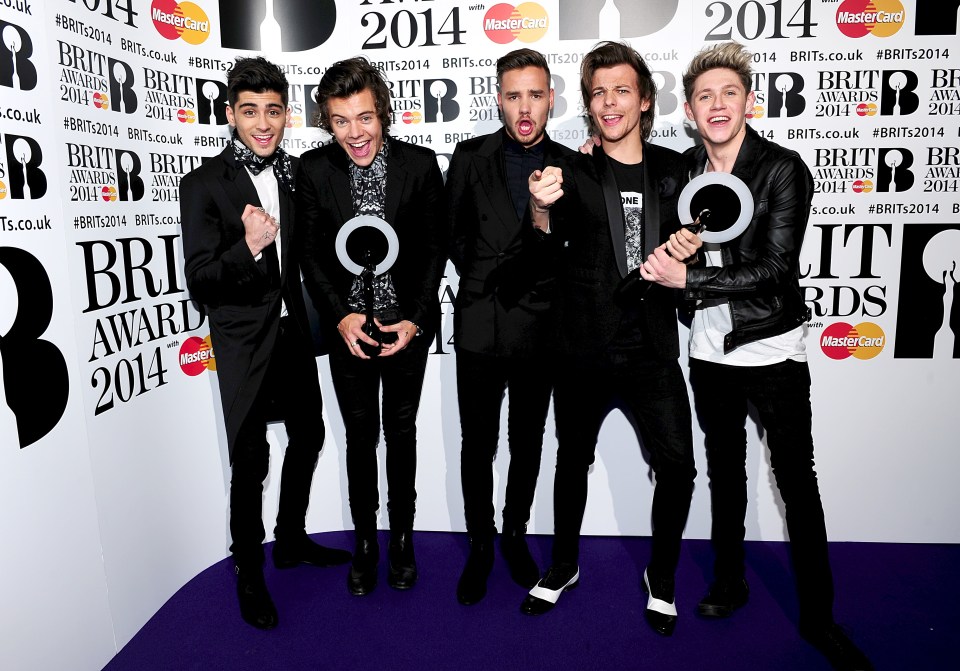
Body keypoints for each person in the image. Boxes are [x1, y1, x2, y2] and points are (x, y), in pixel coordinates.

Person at [640, 41, 873, 670]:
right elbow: (626, 174)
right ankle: (730, 580)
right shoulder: (684, 172)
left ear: (749, 102)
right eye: (705, 96)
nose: (717, 105)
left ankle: (821, 619)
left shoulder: (782, 169)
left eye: (729, 94)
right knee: (726, 474)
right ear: (688, 110)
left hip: (772, 348)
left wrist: (686, 282)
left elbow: (775, 269)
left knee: (798, 484)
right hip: (709, 351)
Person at [519, 41, 700, 637]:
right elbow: (540, 256)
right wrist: (541, 214)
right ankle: (564, 564)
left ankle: (662, 576)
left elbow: (699, 249)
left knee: (677, 467)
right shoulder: (570, 170)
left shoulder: (678, 171)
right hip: (581, 347)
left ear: (645, 99)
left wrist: (689, 255)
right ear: (589, 103)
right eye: (598, 92)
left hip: (650, 348)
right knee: (571, 461)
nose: (609, 101)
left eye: (622, 89)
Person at [181, 56, 350, 631]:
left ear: (286, 116)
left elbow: (341, 174)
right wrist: (248, 245)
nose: (262, 122)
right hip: (242, 342)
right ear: (231, 114)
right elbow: (200, 278)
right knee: (250, 460)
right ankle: (248, 571)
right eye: (250, 110)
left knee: (310, 435)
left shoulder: (294, 175)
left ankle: (291, 539)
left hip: (292, 333)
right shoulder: (204, 183)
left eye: (273, 111)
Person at [296, 57, 447, 597]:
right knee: (360, 437)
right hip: (349, 332)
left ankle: (401, 539)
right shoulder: (314, 171)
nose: (355, 133)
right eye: (340, 121)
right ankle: (365, 542)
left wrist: (417, 318)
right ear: (326, 121)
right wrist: (340, 315)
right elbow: (310, 254)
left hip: (405, 328)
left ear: (381, 110)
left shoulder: (421, 165)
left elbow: (434, 248)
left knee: (400, 433)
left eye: (364, 118)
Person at [446, 48, 575, 606]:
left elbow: (572, 250)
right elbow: (451, 237)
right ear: (498, 99)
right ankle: (479, 543)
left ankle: (515, 533)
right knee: (478, 442)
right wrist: (484, 276)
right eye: (514, 95)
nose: (525, 107)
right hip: (479, 321)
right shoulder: (469, 156)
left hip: (540, 326)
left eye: (536, 94)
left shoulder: (575, 165)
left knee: (527, 441)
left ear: (551, 98)